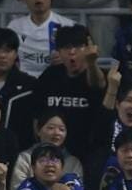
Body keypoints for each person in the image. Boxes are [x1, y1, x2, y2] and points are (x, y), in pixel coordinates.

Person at [32, 24, 105, 159]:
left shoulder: (96, 74)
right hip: (52, 152)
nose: (72, 52)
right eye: (66, 47)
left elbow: (97, 85)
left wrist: (91, 63)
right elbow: (37, 114)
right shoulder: (50, 75)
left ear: (88, 49)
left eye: (78, 46)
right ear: (59, 52)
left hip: (88, 151)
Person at [8, 0, 75, 78]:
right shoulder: (14, 27)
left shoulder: (68, 25)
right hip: (23, 81)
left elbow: (79, 59)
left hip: (56, 80)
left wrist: (67, 59)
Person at [9, 111, 82, 190]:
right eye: (51, 128)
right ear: (38, 131)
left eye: (61, 129)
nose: (56, 133)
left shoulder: (73, 162)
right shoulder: (25, 158)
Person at [0, 26, 37, 150]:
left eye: (8, 51)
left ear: (16, 54)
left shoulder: (30, 86)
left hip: (20, 152)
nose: (2, 55)